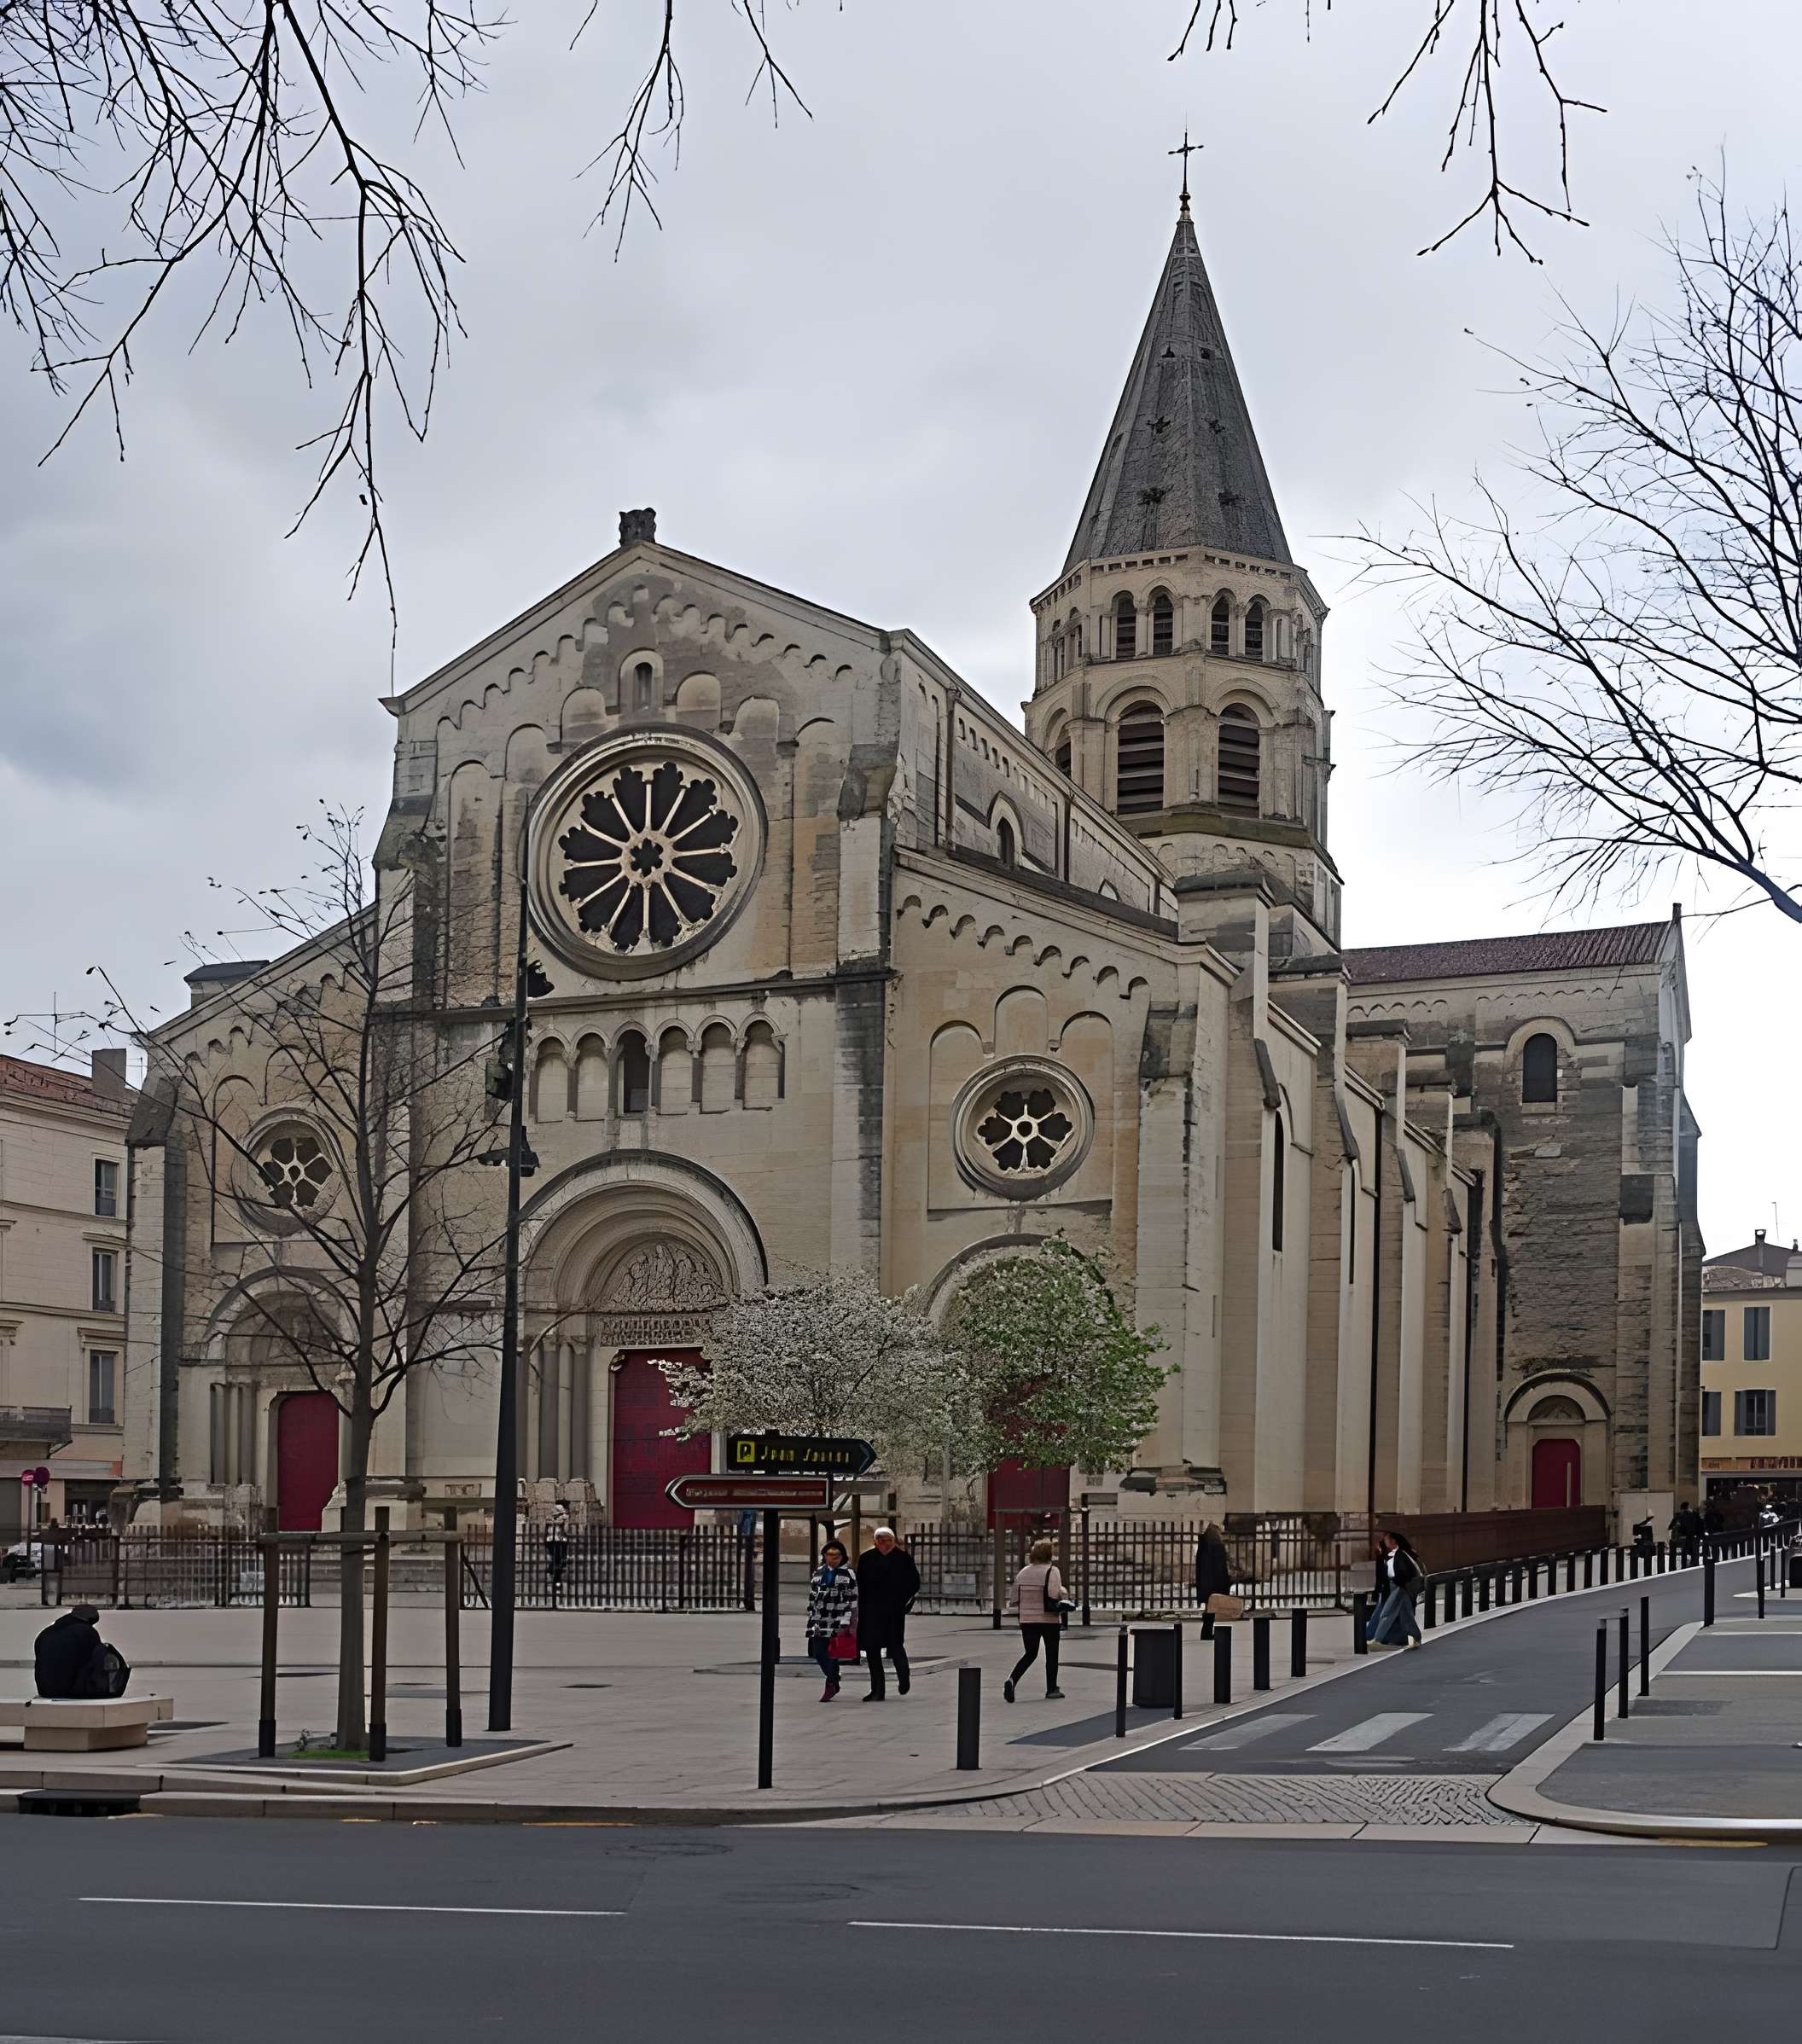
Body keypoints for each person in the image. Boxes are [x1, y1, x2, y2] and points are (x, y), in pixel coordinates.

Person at [855, 1526, 920, 1701]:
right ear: (876, 1542)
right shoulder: (867, 1558)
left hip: (893, 1611)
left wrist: (901, 1599)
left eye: (889, 1540)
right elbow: (860, 1583)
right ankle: (877, 1690)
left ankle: (904, 1678)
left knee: (895, 1645)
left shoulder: (903, 1559)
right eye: (882, 1540)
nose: (886, 1544)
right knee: (872, 1650)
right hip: (871, 1612)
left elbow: (914, 1583)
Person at [1004, 1537, 1069, 1702]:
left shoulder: (1023, 1572)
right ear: (1049, 1554)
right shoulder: (1052, 1571)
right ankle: (1051, 1689)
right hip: (1049, 1619)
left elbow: (1014, 1598)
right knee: (1052, 1654)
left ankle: (1012, 1679)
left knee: (1030, 1653)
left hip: (1027, 1619)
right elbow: (1055, 1594)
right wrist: (1064, 1592)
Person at [34, 1605, 129, 1698]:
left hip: (45, 1691)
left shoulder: (45, 1633)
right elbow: (95, 1662)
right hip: (73, 1692)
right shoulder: (87, 1632)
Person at [805, 1540, 858, 1701]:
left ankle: (831, 1683)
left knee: (833, 1652)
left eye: (837, 1555)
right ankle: (833, 1678)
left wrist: (849, 1622)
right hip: (819, 1618)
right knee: (819, 1653)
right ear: (824, 1556)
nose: (833, 1558)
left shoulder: (848, 1574)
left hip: (839, 1618)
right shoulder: (819, 1572)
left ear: (842, 1557)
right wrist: (811, 1615)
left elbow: (853, 1599)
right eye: (829, 1555)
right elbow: (813, 1595)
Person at [1367, 1531, 1423, 1650]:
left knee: (1387, 1613)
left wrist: (1398, 1581)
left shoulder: (1400, 1554)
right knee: (1406, 1615)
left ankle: (1378, 1639)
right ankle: (1416, 1637)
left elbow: (1405, 1572)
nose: (1385, 1542)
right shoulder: (1394, 1554)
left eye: (1387, 1539)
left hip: (1398, 1586)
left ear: (1393, 1541)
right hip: (1397, 1585)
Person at [1194, 1521, 1232, 1640]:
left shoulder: (1203, 1547)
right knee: (1211, 1609)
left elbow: (1200, 1567)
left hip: (1206, 1584)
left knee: (1209, 1607)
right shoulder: (1217, 1547)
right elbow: (1221, 1568)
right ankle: (1207, 1633)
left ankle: (1206, 1632)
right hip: (1215, 1583)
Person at [544, 1503, 571, 1593]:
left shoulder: (562, 1520)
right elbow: (547, 1530)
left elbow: (566, 1531)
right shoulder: (550, 1520)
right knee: (556, 1561)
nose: (562, 1515)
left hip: (560, 1541)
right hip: (553, 1542)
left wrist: (565, 1522)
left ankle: (557, 1580)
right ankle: (555, 1579)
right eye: (561, 1513)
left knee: (560, 1561)